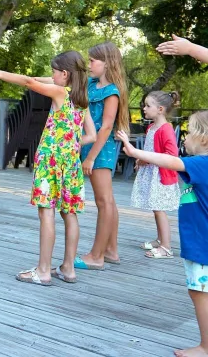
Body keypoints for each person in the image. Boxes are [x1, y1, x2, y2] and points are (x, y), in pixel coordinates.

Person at [0, 51, 96, 285]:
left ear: (64, 74)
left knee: (46, 212)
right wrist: (71, 143)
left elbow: (29, 82)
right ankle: (68, 268)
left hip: (50, 162)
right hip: (71, 162)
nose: (51, 76)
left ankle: (43, 270)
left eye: (54, 71)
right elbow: (92, 135)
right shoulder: (82, 99)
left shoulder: (60, 92)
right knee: (70, 214)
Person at [118, 111, 208, 357]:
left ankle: (206, 347)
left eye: (189, 132)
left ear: (204, 139)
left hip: (202, 246)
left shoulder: (201, 164)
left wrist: (135, 152)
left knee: (199, 291)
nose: (184, 137)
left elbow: (168, 160)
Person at [76, 42, 129, 269]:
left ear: (107, 63)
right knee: (109, 201)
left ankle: (96, 256)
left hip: (100, 151)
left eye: (92, 61)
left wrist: (90, 158)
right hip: (91, 148)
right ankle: (111, 250)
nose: (89, 65)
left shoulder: (112, 92)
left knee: (103, 202)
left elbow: (106, 127)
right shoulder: (90, 84)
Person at [132, 91, 181, 258]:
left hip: (160, 176)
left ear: (160, 109)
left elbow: (171, 155)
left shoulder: (165, 129)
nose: (144, 108)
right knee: (155, 207)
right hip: (152, 174)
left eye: (147, 105)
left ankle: (166, 247)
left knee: (159, 209)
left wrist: (144, 160)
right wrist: (141, 161)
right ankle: (160, 240)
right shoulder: (151, 127)